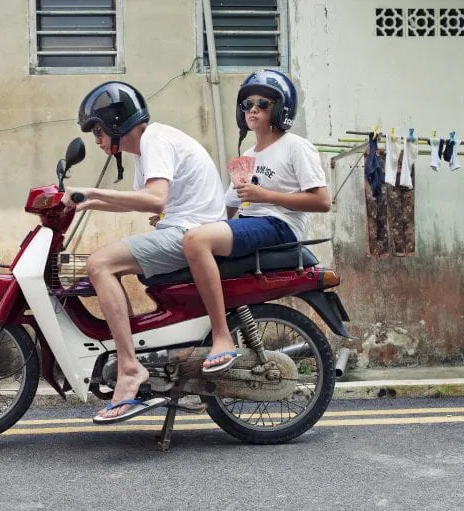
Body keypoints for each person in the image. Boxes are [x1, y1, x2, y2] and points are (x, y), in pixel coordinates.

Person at [63, 81, 226, 421]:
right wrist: (87, 201)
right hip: (184, 229)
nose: (97, 140)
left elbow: (155, 200)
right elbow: (141, 202)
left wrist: (91, 193)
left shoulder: (154, 140)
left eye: (98, 131)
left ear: (116, 122)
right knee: (104, 262)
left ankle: (129, 368)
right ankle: (138, 357)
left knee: (100, 264)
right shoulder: (145, 148)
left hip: (188, 233)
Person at [182, 69, 331, 373]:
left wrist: (265, 195)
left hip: (279, 226)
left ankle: (222, 337)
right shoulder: (247, 155)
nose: (253, 110)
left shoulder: (296, 146)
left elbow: (322, 201)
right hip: (249, 224)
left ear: (280, 109)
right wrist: (179, 218)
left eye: (262, 104)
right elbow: (227, 208)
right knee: (187, 241)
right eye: (247, 104)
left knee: (197, 240)